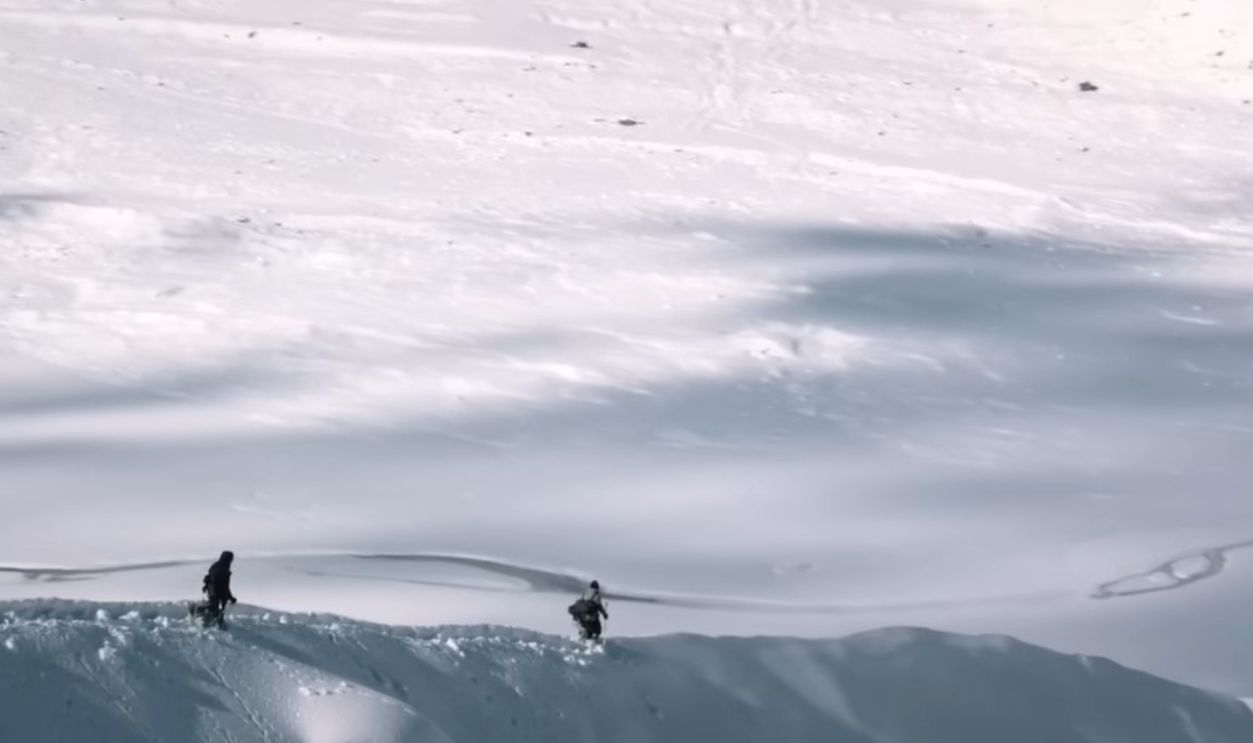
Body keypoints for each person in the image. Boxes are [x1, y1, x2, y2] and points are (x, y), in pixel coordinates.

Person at [190, 550, 238, 628]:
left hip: (216, 591)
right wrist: (229, 597)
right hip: (216, 591)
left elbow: (223, 584)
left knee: (217, 609)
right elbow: (223, 585)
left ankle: (218, 623)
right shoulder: (223, 569)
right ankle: (197, 609)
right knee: (214, 607)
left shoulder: (219, 566)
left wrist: (229, 596)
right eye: (231, 558)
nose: (232, 560)